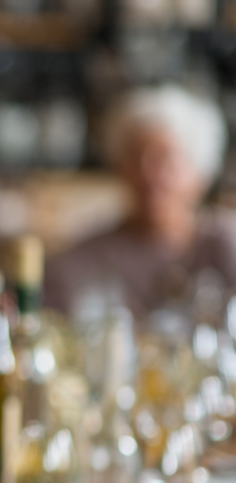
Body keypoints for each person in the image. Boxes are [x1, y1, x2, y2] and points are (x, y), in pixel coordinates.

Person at [45, 85, 235, 318]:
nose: (148, 174)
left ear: (200, 174)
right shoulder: (83, 258)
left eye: (164, 159)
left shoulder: (225, 244)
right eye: (135, 158)